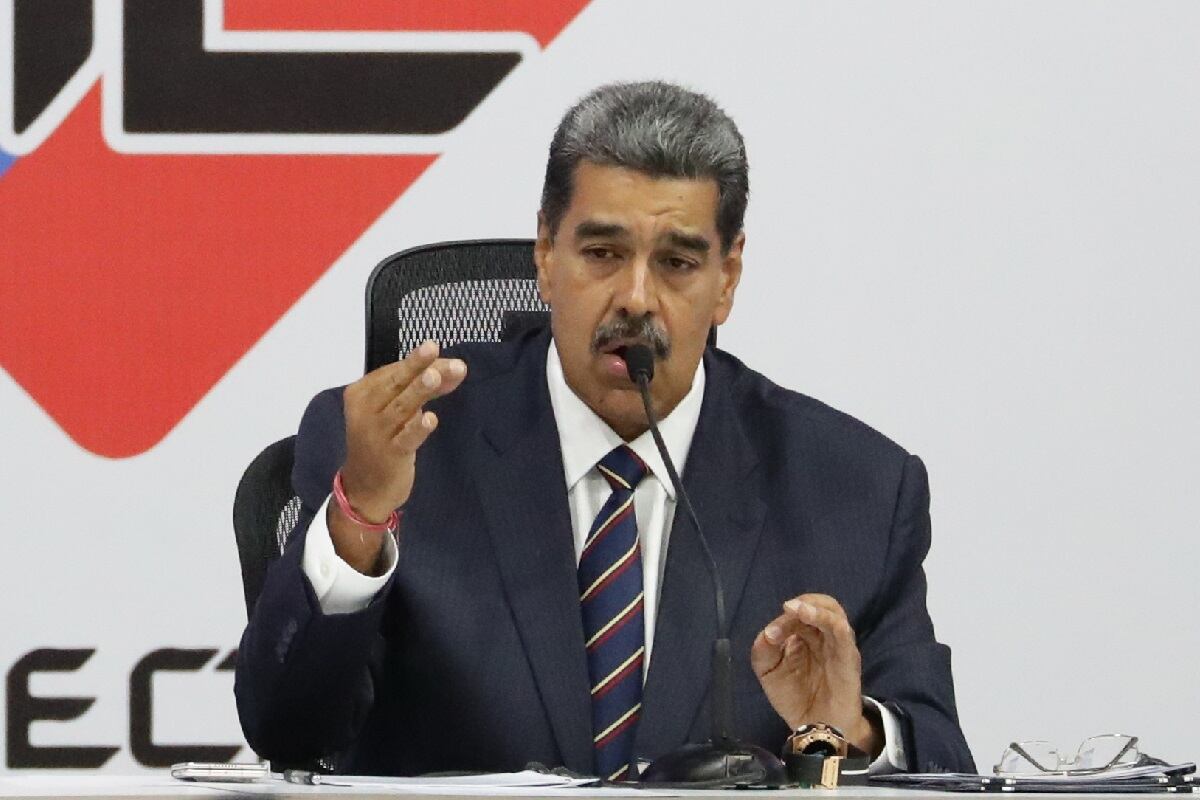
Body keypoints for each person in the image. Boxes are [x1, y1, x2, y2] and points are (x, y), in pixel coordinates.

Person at [235, 81, 975, 779]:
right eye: (602, 254)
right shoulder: (395, 448)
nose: (636, 299)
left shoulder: (855, 489)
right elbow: (289, 734)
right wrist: (360, 517)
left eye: (679, 262)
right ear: (545, 255)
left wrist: (854, 730)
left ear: (729, 277)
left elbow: (947, 762)